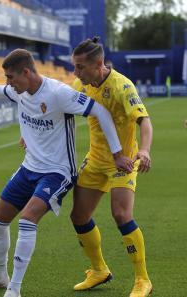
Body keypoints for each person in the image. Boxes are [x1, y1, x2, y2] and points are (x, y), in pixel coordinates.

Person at [0, 49, 131, 297]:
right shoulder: (20, 91)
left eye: (11, 77)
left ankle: (14, 289)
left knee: (27, 220)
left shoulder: (59, 93)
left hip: (58, 172)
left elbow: (100, 111)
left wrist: (117, 153)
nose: (8, 83)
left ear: (26, 72)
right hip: (29, 168)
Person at [70, 37, 153, 297]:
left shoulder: (122, 85)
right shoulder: (80, 85)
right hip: (95, 160)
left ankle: (142, 280)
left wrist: (144, 150)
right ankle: (99, 270)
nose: (76, 72)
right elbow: (59, 110)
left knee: (121, 215)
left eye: (80, 67)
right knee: (79, 216)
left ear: (98, 64)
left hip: (123, 161)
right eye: (74, 67)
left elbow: (145, 121)